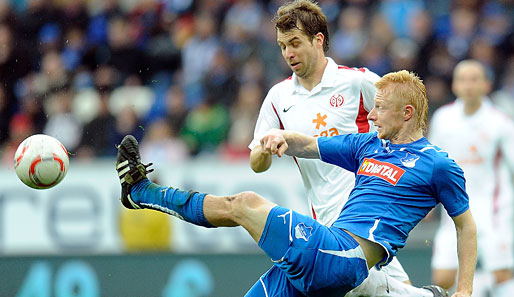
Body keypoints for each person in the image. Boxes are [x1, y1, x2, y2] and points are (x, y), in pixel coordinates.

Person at [115, 69, 477, 297]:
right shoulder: (368, 144)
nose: (373, 114)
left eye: (380, 108)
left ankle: (142, 193)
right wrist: (282, 138)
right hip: (335, 262)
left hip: (346, 256)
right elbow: (312, 145)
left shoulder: (437, 164)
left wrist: (464, 290)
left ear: (407, 113)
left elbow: (466, 224)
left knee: (245, 204)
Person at [248, 1, 446, 296]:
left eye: (295, 43)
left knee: (356, 286)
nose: (288, 53)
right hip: (324, 217)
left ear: (318, 40)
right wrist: (265, 148)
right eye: (282, 46)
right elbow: (256, 163)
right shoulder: (279, 96)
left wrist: (416, 186)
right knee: (378, 289)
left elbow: (406, 124)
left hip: (367, 212)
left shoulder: (357, 81)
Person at [430, 60, 514, 296]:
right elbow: (433, 163)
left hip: (494, 209)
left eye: (474, 79)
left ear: (486, 85)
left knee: (501, 274)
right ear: (455, 85)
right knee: (443, 278)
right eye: (463, 79)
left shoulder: (501, 122)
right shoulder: (443, 118)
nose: (468, 85)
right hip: (454, 210)